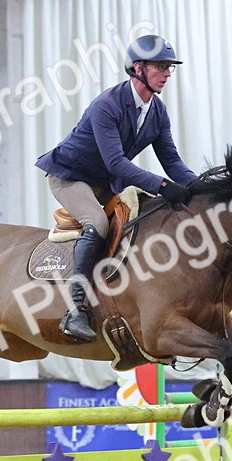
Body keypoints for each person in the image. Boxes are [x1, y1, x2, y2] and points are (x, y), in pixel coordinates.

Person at [35, 34, 199, 341]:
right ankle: (75, 310)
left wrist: (198, 187)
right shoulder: (107, 106)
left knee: (147, 216)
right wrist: (164, 186)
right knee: (96, 222)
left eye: (169, 67)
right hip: (70, 176)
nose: (166, 73)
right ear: (138, 68)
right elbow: (117, 163)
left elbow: (171, 160)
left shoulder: (157, 112)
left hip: (106, 182)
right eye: (160, 66)